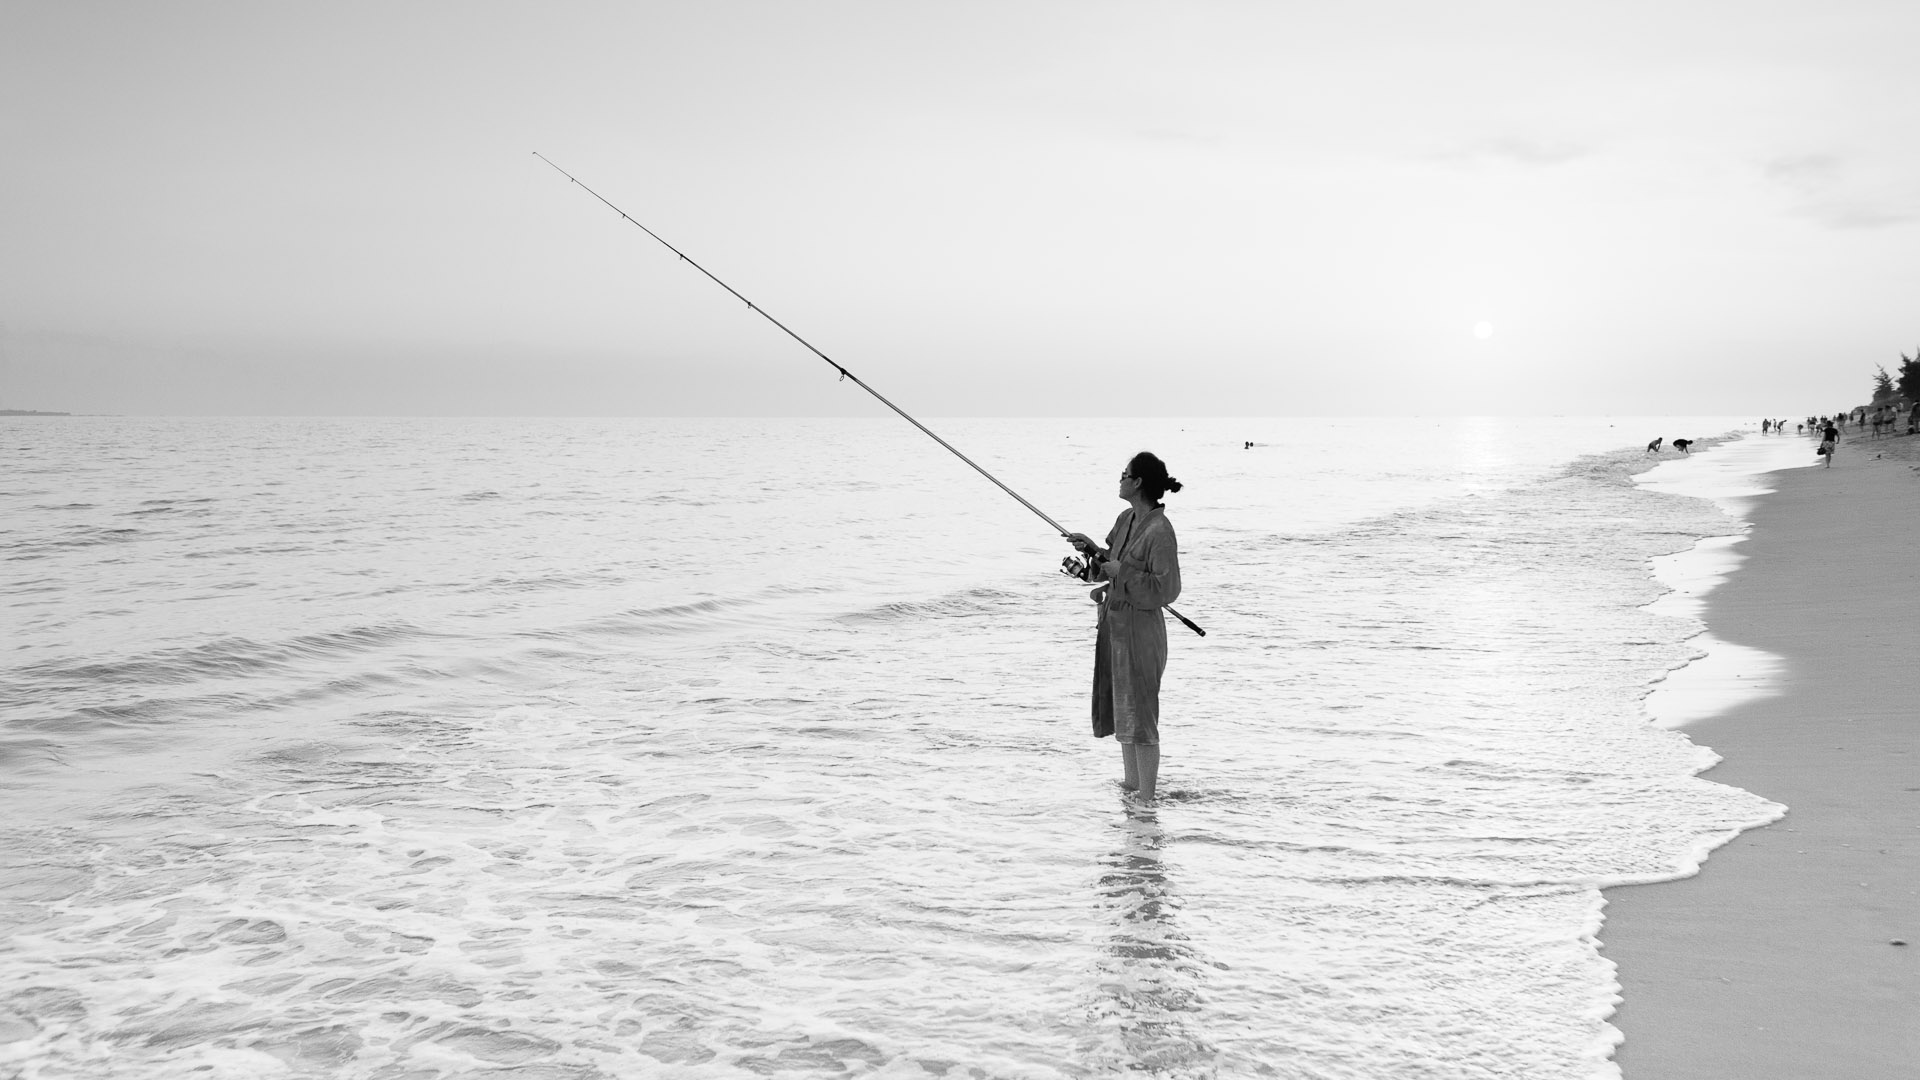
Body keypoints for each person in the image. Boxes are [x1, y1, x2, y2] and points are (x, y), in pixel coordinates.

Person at [1063, 452, 1183, 803]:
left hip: (1142, 632)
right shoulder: (1125, 518)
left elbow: (1167, 589)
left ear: (1138, 482)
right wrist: (1091, 551)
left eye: (1124, 474)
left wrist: (1121, 573)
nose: (1120, 479)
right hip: (1114, 628)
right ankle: (1132, 792)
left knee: (1142, 714)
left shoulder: (1161, 531)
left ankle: (1148, 801)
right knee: (1125, 712)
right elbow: (1106, 566)